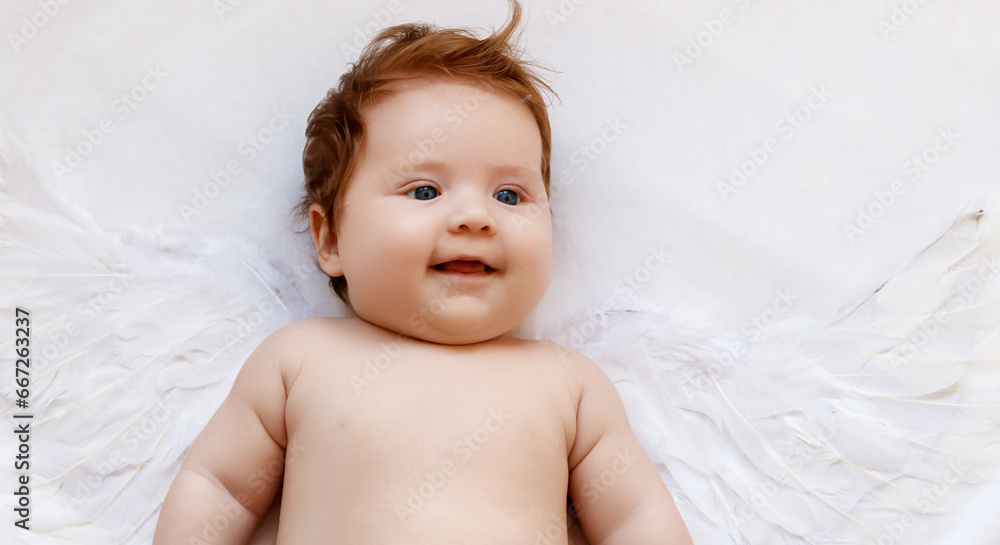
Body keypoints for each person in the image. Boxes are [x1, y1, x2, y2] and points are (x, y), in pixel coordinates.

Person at [152, 1, 692, 543]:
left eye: (509, 195)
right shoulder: (298, 360)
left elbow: (636, 517)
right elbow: (219, 488)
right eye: (425, 190)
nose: (475, 217)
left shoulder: (571, 385)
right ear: (331, 238)